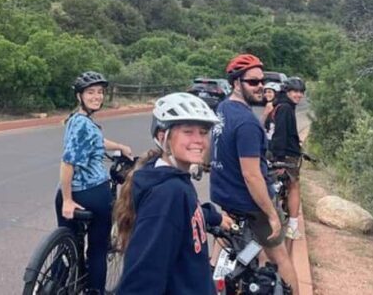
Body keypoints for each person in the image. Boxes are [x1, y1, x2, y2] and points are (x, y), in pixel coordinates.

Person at [115, 93, 232, 295]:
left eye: (203, 132)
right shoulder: (168, 194)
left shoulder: (173, 178)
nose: (198, 140)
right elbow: (142, 278)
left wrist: (215, 217)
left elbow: (182, 215)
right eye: (188, 132)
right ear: (163, 137)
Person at [210, 54, 299, 294]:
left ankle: (218, 273)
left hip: (225, 196)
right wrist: (271, 214)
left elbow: (215, 148)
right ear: (236, 83)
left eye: (262, 81)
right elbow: (252, 176)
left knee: (235, 244)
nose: (260, 86)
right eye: (252, 82)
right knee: (280, 257)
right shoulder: (247, 123)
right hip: (250, 203)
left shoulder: (223, 108)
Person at [56, 71, 133, 294]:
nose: (97, 96)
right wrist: (69, 200)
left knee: (66, 246)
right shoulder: (83, 125)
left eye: (100, 92)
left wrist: (120, 146)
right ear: (79, 96)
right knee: (98, 249)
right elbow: (67, 163)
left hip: (65, 193)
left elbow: (96, 140)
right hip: (92, 194)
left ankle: (56, 284)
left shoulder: (76, 120)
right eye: (90, 92)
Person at [267, 77, 306, 242]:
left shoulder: (278, 105)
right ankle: (293, 227)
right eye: (295, 91)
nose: (299, 95)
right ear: (287, 92)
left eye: (301, 92)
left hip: (274, 151)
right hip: (286, 155)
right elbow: (280, 134)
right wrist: (280, 159)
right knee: (294, 187)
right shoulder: (286, 108)